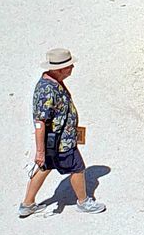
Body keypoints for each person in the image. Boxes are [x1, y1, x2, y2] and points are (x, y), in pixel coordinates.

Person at [20, 48, 104, 217]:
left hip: (55, 141)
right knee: (77, 168)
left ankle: (27, 204)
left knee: (45, 167)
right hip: (61, 142)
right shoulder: (47, 90)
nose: (72, 67)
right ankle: (83, 202)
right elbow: (40, 123)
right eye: (69, 66)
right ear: (59, 69)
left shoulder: (53, 81)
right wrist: (40, 151)